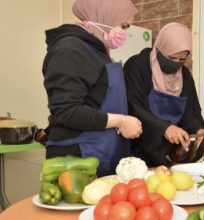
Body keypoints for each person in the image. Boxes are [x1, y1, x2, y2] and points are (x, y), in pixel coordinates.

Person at [41, 0, 142, 177]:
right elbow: (67, 111)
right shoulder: (70, 49)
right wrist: (121, 121)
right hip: (76, 156)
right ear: (105, 15)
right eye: (123, 26)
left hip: (100, 151)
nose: (124, 33)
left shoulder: (97, 50)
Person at [123, 22, 204, 167]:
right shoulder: (137, 66)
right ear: (159, 49)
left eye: (182, 60)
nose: (176, 64)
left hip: (171, 156)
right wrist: (163, 128)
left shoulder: (185, 75)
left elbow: (191, 112)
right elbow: (134, 107)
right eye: (171, 58)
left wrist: (198, 130)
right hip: (138, 152)